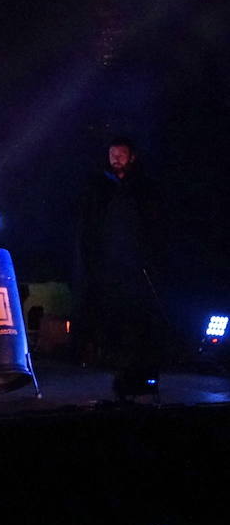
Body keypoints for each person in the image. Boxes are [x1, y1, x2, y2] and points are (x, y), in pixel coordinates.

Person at [75, 137, 165, 370]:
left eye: (120, 154)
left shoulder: (142, 187)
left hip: (135, 260)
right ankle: (106, 353)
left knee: (135, 309)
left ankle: (135, 356)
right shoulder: (98, 185)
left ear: (131, 157)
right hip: (106, 259)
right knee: (105, 307)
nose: (116, 158)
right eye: (112, 154)